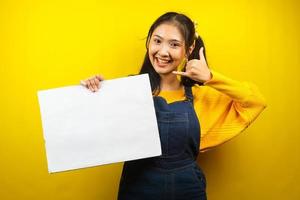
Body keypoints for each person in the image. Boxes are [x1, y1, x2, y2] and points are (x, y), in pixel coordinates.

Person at [81, 12, 267, 200]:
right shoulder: (131, 91)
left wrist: (210, 77)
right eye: (157, 41)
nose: (163, 52)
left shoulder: (201, 96)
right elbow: (95, 131)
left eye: (174, 44)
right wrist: (93, 92)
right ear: (148, 42)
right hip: (137, 190)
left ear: (189, 49)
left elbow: (256, 102)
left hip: (188, 191)